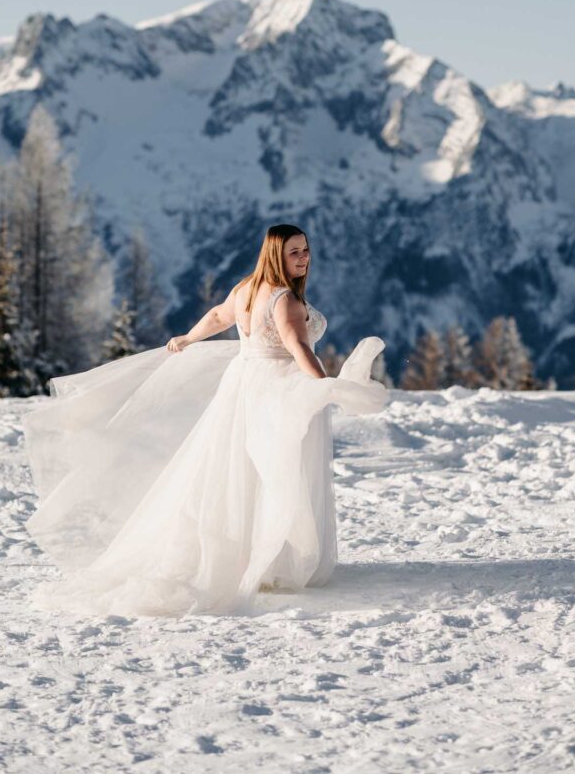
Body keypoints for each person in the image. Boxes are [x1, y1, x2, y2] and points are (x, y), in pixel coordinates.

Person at [23, 224, 389, 617]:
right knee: (278, 470)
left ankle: (248, 552)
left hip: (244, 384)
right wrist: (323, 386)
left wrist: (188, 337)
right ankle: (274, 560)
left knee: (239, 467)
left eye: (306, 250)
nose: (304, 258)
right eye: (294, 252)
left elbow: (218, 316)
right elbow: (297, 345)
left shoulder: (246, 289)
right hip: (279, 390)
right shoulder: (284, 300)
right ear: (275, 256)